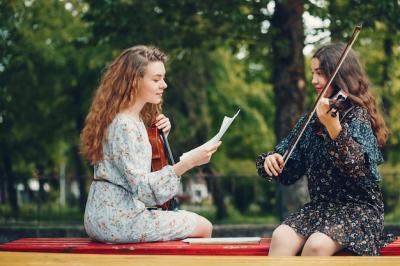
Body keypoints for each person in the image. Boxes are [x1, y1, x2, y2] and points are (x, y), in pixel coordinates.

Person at [256, 43, 395, 256]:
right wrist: (271, 161)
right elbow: (289, 172)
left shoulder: (358, 117)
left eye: (320, 74)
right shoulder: (310, 121)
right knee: (281, 237)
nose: (314, 81)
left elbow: (356, 167)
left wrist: (333, 127)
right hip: (322, 208)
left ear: (340, 76)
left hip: (359, 210)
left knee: (316, 245)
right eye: (313, 73)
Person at [80, 45, 221, 243]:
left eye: (163, 78)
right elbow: (145, 191)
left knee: (196, 224)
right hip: (119, 220)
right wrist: (188, 162)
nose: (164, 85)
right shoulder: (125, 125)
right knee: (204, 227)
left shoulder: (128, 119)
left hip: (107, 216)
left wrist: (159, 136)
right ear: (134, 81)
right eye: (156, 79)